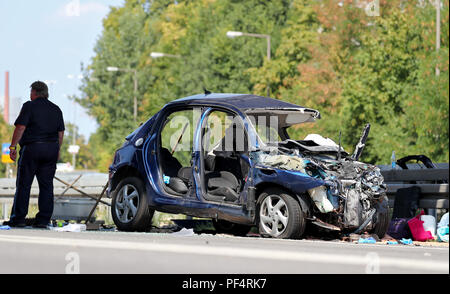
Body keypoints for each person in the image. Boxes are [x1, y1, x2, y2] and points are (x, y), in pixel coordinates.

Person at [3, 81, 64, 228]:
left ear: (35, 92)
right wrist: (57, 150)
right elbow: (60, 133)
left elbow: (20, 127)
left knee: (24, 184)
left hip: (32, 149)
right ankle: (43, 220)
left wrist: (12, 147)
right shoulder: (56, 109)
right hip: (51, 150)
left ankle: (18, 219)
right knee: (47, 186)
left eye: (31, 92)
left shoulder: (29, 106)